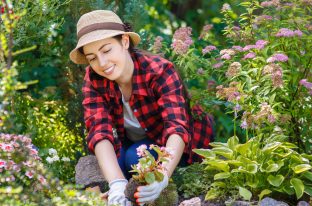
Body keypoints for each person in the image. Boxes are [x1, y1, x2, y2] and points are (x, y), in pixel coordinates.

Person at [69, 10, 214, 205]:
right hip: (134, 143)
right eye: (92, 57)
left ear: (125, 42)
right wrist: (117, 183)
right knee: (104, 173)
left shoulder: (159, 70)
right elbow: (99, 131)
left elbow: (177, 128)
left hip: (174, 143)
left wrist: (162, 176)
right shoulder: (94, 79)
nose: (102, 63)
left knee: (132, 160)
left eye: (106, 50)